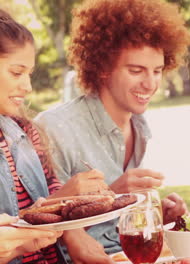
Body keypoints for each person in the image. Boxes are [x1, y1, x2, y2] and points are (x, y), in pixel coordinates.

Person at [35, 0, 190, 257]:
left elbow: (118, 225)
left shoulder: (139, 127)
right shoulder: (55, 129)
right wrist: (111, 195)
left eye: (157, 70)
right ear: (103, 68)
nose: (150, 83)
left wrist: (157, 214)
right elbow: (46, 223)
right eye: (136, 70)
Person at [0, 8, 114, 264]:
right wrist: (61, 199)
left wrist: (69, 204)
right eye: (17, 73)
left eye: (29, 74)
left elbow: (48, 185)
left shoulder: (25, 132)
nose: (27, 87)